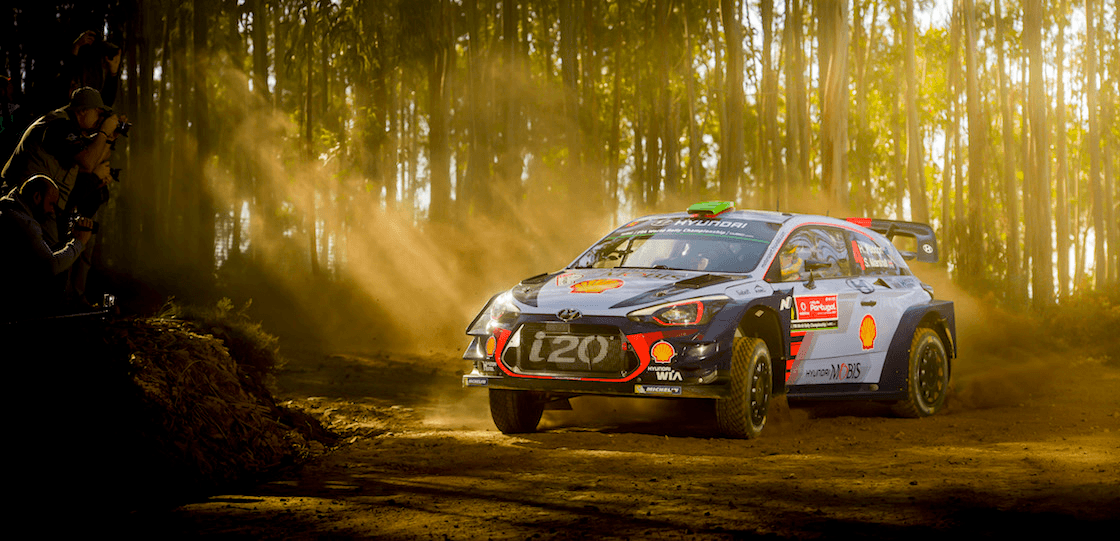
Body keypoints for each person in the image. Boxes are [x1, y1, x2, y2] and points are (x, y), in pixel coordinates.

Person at [1, 86, 121, 245]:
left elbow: (96, 157)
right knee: (49, 254)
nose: (100, 119)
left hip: (37, 202)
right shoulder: (58, 126)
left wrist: (109, 138)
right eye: (98, 113)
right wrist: (104, 131)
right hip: (25, 200)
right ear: (83, 111)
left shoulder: (71, 128)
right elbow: (88, 162)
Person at [0, 175, 93, 321]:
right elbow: (51, 266)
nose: (52, 211)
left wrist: (68, 241)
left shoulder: (9, 209)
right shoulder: (25, 223)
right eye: (51, 204)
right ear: (37, 196)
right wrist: (79, 242)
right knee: (58, 270)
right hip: (12, 301)